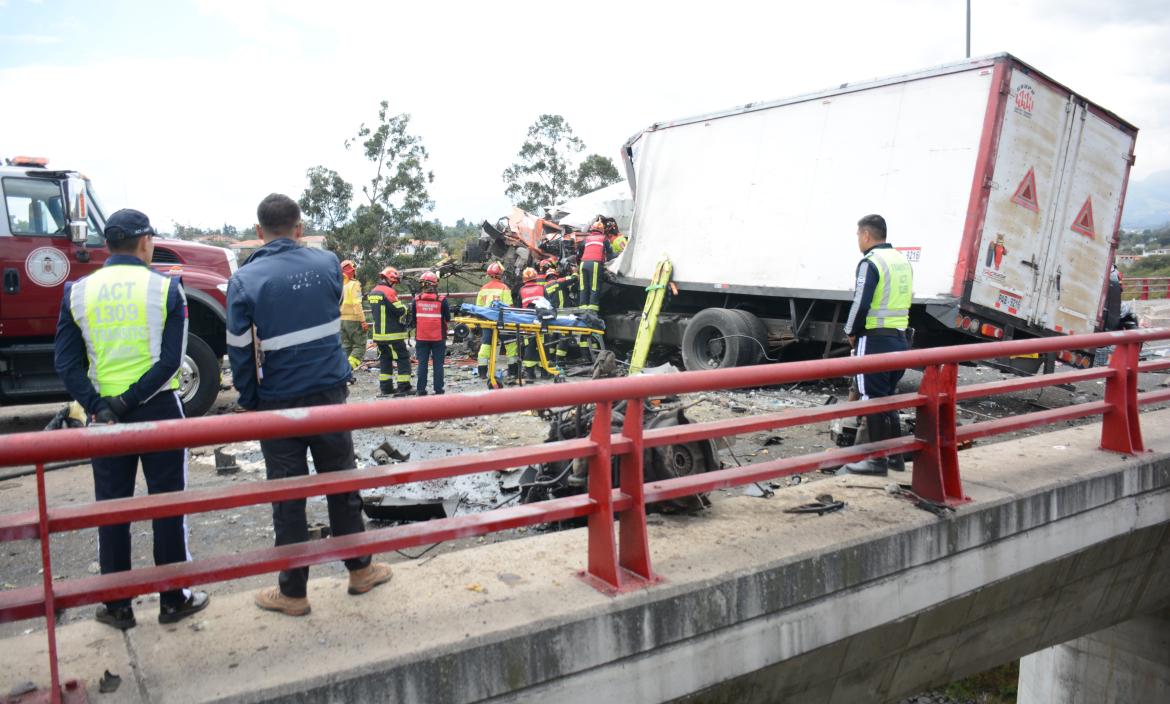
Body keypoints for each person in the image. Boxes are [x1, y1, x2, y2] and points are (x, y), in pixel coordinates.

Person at [227, 194, 392, 616]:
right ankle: (359, 570)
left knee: (288, 496)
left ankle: (294, 593)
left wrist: (251, 400)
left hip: (278, 402)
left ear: (259, 232)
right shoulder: (327, 264)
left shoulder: (246, 280)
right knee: (341, 483)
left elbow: (241, 350)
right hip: (329, 394)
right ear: (300, 228)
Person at [53, 208, 209, 629]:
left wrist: (100, 405)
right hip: (158, 410)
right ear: (145, 242)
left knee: (112, 508)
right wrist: (130, 402)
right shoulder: (166, 289)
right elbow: (171, 361)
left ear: (108, 245)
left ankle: (118, 605)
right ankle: (174, 598)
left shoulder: (77, 292)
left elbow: (65, 363)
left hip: (102, 417)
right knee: (167, 504)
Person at [840, 214, 913, 476]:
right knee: (886, 397)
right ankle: (894, 458)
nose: (858, 240)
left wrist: (850, 331)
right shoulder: (901, 261)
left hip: (874, 339)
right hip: (899, 338)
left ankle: (876, 461)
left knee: (871, 398)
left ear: (866, 235)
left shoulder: (870, 262)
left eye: (858, 235)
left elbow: (861, 301)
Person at [367, 266, 411, 396]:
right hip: (392, 334)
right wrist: (406, 307)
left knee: (386, 359)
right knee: (402, 357)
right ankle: (404, 387)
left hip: (379, 334)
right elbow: (399, 310)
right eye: (395, 282)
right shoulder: (388, 292)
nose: (395, 285)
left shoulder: (373, 291)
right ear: (390, 279)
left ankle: (386, 388)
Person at [475, 262, 518, 387]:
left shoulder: (483, 289)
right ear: (500, 275)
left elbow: (478, 308)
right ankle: (512, 372)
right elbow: (509, 307)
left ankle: (483, 372)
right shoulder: (504, 288)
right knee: (511, 344)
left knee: (486, 345)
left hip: (487, 321)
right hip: (502, 321)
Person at [411, 271, 450, 396]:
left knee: (422, 364)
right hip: (438, 338)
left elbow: (413, 320)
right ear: (435, 285)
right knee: (438, 364)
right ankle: (438, 389)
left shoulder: (416, 301)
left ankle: (420, 390)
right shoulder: (442, 300)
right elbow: (447, 318)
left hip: (421, 337)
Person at [518, 267, 548, 380]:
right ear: (535, 278)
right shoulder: (542, 288)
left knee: (529, 346)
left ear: (524, 279)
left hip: (527, 323)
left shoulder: (521, 290)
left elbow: (519, 309)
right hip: (541, 322)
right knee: (543, 346)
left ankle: (530, 373)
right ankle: (544, 373)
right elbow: (548, 305)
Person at [339, 259, 367, 373]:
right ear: (352, 272)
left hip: (341, 320)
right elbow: (357, 304)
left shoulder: (339, 285)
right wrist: (363, 321)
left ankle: (341, 372)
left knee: (346, 347)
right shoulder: (354, 284)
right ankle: (347, 370)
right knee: (359, 347)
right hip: (354, 320)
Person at [578, 221, 612, 312]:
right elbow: (610, 252)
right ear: (602, 230)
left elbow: (579, 251)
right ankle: (592, 310)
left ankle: (582, 308)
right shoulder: (603, 238)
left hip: (583, 264)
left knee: (583, 286)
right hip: (595, 263)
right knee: (594, 286)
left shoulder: (587, 238)